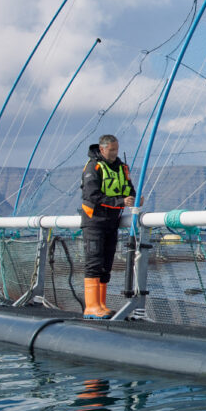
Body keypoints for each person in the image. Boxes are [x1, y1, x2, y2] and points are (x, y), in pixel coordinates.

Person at [80, 135, 141, 319]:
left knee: (106, 264)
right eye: (111, 150)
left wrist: (132, 198)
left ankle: (101, 305)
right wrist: (120, 201)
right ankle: (91, 307)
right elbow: (92, 195)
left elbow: (129, 189)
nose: (115, 153)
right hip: (95, 222)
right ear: (102, 148)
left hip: (112, 222)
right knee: (94, 262)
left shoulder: (122, 168)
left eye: (116, 149)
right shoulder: (94, 166)